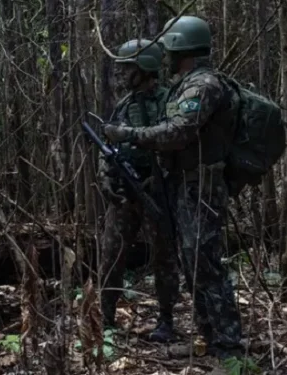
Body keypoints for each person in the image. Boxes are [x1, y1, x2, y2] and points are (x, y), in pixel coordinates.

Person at [101, 15, 244, 360]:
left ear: (180, 45)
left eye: (169, 47)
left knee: (201, 264)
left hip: (191, 190)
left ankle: (226, 346)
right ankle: (213, 342)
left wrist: (133, 137)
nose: (165, 55)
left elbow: (178, 132)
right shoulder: (181, 87)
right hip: (176, 189)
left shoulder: (203, 85)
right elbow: (117, 150)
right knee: (193, 263)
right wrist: (109, 173)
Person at [98, 38, 180, 343]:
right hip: (124, 191)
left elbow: (175, 140)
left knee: (164, 257)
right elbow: (108, 144)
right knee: (111, 253)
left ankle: (167, 320)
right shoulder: (125, 104)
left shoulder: (168, 101)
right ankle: (104, 317)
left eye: (129, 67)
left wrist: (158, 179)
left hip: (156, 191)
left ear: (145, 67)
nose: (123, 74)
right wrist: (105, 176)